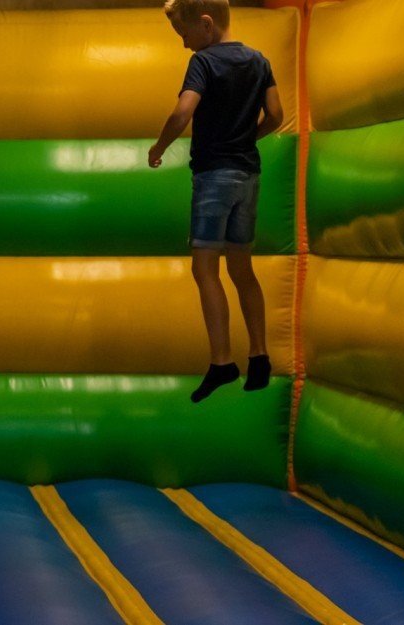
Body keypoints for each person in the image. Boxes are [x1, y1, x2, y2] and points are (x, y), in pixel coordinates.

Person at [149, 0, 283, 403]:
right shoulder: (259, 61)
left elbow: (182, 112)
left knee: (204, 268)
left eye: (185, 34)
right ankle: (259, 357)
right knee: (242, 268)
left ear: (206, 25)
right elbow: (276, 115)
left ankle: (222, 361)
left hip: (214, 178)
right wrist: (244, 140)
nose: (184, 44)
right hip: (248, 176)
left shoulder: (204, 62)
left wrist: (159, 147)